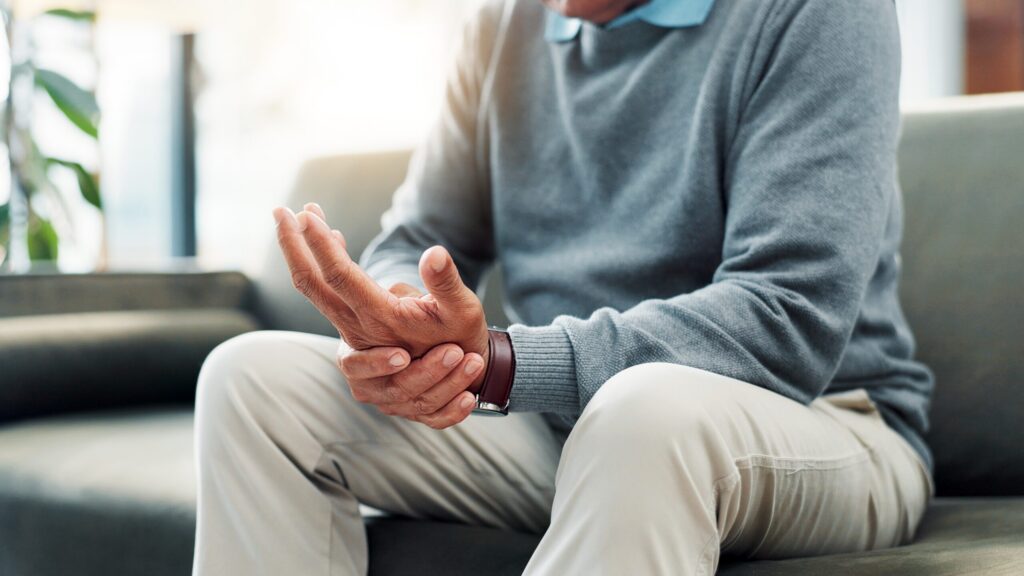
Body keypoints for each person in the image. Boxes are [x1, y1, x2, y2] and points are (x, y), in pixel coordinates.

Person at [192, 0, 935, 574]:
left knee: (644, 410)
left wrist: (504, 363)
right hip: (562, 423)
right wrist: (404, 324)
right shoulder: (505, 22)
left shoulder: (818, 12)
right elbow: (419, 239)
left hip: (826, 421)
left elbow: (787, 316)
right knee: (251, 380)